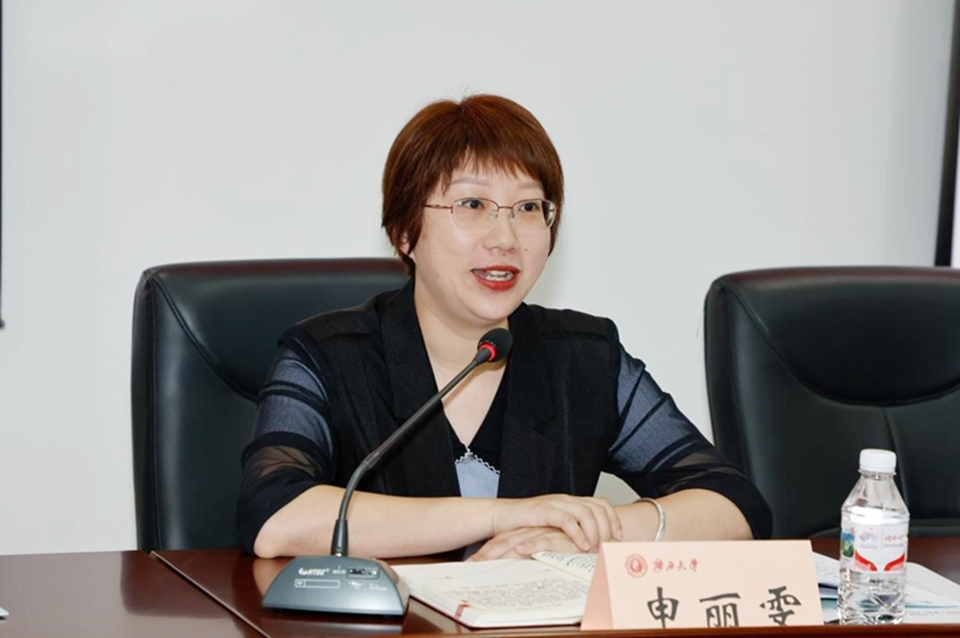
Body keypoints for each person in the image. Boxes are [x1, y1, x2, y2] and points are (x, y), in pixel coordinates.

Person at [237, 94, 771, 560]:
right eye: (472, 204)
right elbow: (273, 515)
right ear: (403, 230)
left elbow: (734, 504)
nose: (506, 238)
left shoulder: (583, 358)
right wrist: (503, 517)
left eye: (529, 207)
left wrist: (579, 535)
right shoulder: (327, 355)